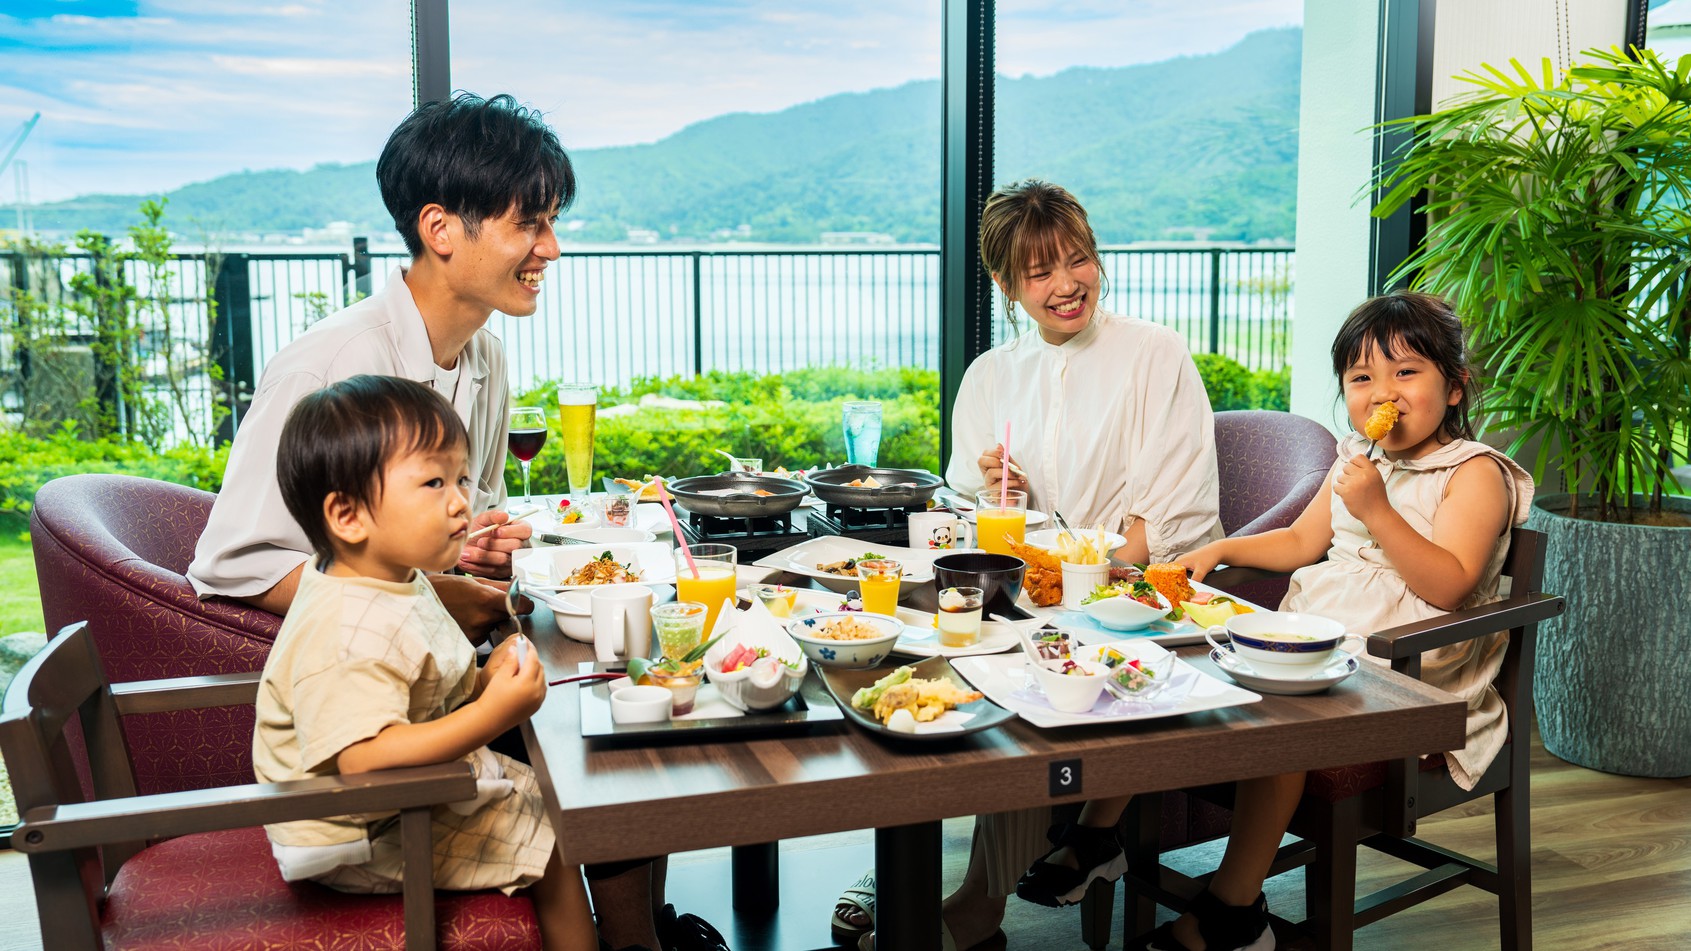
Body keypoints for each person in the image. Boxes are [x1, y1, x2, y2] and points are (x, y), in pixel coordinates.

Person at [1014, 290, 1534, 951]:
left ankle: (1230, 915)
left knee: (1282, 724)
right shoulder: (1358, 459)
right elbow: (1298, 541)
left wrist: (1376, 510)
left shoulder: (1472, 473)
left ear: (1454, 386)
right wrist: (1222, 548)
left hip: (1407, 675)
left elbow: (1450, 586)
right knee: (1162, 662)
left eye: (1407, 372)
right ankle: (1096, 833)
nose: (1384, 392)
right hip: (1318, 649)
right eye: (1361, 377)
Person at [839, 180, 1223, 951]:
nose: (1066, 284)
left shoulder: (1154, 354)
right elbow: (964, 512)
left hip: (1125, 596)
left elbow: (1162, 523)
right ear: (1007, 285)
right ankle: (900, 860)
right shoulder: (990, 375)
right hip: (1019, 587)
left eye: (1078, 260)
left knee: (1015, 666)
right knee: (892, 648)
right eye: (1039, 272)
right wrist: (994, 487)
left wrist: (1066, 580)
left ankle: (975, 908)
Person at [189, 91, 566, 637]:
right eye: (529, 223)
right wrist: (422, 597)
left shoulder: (487, 354)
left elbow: (467, 522)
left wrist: (477, 547)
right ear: (439, 230)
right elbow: (236, 564)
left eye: (551, 221)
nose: (551, 248)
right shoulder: (328, 366)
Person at [254, 375, 594, 950]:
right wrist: (495, 710)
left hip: (391, 802)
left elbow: (417, 687)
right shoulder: (347, 627)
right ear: (348, 516)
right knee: (558, 839)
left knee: (558, 795)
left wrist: (485, 679)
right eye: (434, 482)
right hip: (359, 831)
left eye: (461, 477)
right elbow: (365, 760)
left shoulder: (391, 578)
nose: (462, 501)